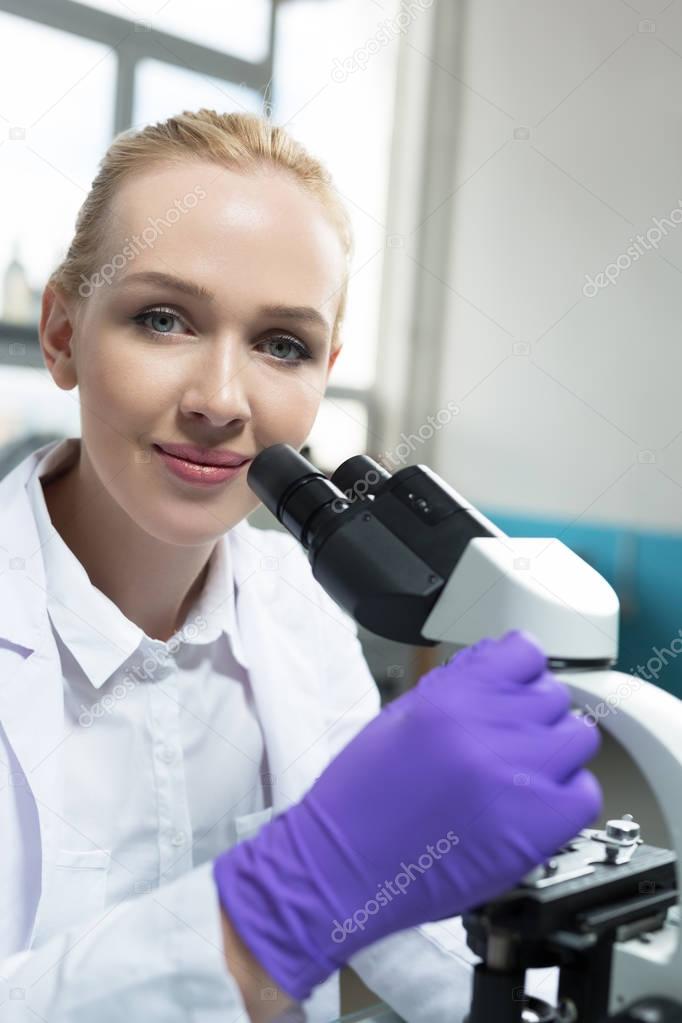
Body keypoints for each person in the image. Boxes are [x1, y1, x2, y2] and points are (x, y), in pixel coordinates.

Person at [0, 109, 602, 1022]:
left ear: (327, 372)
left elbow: (417, 933)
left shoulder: (300, 613)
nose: (220, 400)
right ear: (60, 334)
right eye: (162, 320)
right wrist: (275, 904)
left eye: (283, 345)